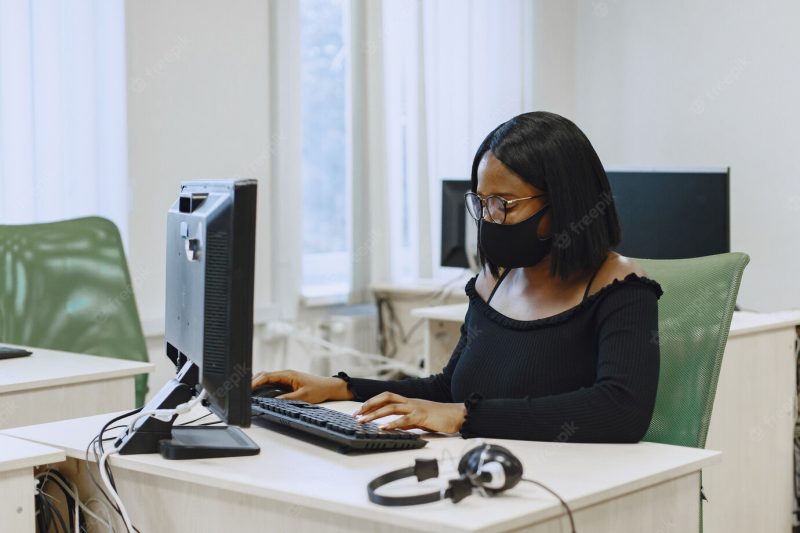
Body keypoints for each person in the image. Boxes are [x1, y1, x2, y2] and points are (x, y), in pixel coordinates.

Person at [253, 111, 662, 443]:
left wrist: (465, 416)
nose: (489, 219)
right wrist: (340, 387)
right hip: (489, 476)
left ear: (565, 203)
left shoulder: (619, 286)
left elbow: (621, 410)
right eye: (481, 203)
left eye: (504, 204)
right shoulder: (494, 283)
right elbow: (451, 388)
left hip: (573, 489)